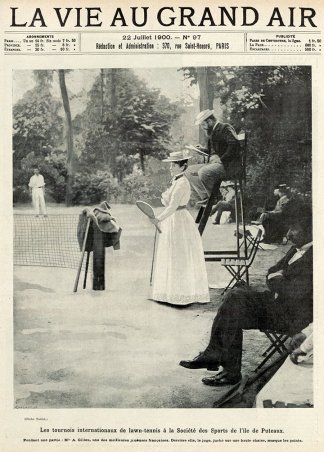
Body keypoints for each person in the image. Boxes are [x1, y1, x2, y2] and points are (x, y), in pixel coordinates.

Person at [179, 205, 312, 385]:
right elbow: (271, 271)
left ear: (311, 230)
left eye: (294, 229)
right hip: (278, 305)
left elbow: (294, 292)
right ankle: (219, 360)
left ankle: (220, 361)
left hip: (294, 318)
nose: (288, 234)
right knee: (236, 296)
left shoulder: (315, 257)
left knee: (235, 303)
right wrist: (278, 278)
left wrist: (278, 279)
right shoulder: (296, 248)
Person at [150, 150, 210, 306]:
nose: (170, 167)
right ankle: (167, 293)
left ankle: (182, 295)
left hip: (179, 221)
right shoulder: (176, 181)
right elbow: (167, 201)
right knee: (171, 254)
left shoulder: (182, 183)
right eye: (170, 164)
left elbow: (172, 207)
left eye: (173, 165)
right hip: (173, 220)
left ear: (182, 167)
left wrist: (158, 218)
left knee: (179, 255)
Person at [185, 109, 241, 205]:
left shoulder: (225, 128)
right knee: (188, 171)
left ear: (210, 121)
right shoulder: (212, 133)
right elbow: (213, 152)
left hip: (229, 166)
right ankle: (207, 196)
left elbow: (234, 146)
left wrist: (221, 159)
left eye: (203, 125)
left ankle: (215, 197)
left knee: (203, 172)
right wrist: (201, 150)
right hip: (216, 165)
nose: (203, 128)